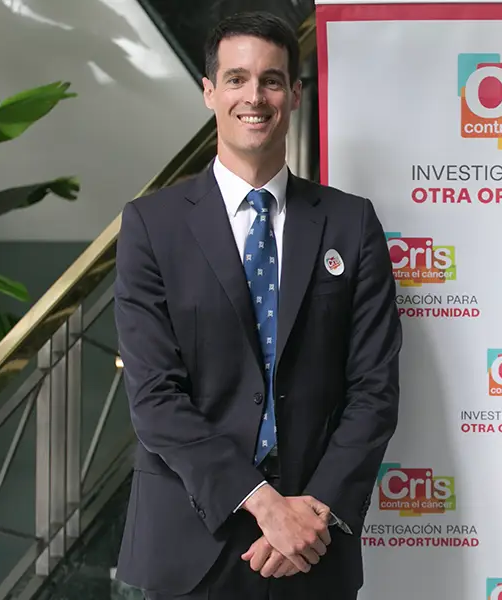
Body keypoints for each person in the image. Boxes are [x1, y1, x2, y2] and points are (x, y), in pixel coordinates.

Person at [112, 11, 402, 600]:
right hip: (189, 541)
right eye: (237, 78)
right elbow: (154, 397)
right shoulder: (151, 226)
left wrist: (310, 514)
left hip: (314, 543)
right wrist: (266, 505)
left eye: (272, 80)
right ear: (209, 91)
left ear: (294, 95)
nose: (255, 96)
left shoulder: (351, 222)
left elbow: (373, 388)